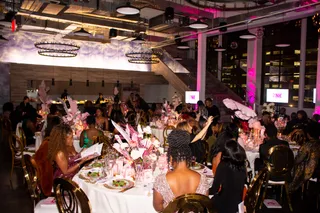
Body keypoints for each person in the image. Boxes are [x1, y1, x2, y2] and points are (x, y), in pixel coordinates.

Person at [153, 130, 210, 212]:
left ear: (171, 157)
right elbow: (204, 205)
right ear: (189, 157)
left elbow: (157, 207)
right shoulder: (202, 178)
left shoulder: (161, 180)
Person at [210, 140, 247, 213]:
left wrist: (204, 190)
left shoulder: (223, 165)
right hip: (237, 204)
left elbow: (215, 189)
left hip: (224, 204)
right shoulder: (243, 165)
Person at [33, 116, 61, 196]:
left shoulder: (47, 140)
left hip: (43, 173)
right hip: (48, 177)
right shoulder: (49, 144)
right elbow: (50, 164)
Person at [289, 122, 320, 193]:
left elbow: (298, 160)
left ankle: (289, 186)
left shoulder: (308, 145)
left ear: (308, 134)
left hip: (310, 170)